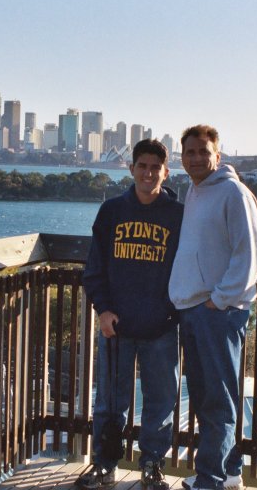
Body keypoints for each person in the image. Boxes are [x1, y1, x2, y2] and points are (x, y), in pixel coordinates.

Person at [79, 139, 184, 490]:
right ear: (131, 169)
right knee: (109, 401)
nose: (148, 173)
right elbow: (95, 268)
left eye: (156, 167)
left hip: (161, 327)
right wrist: (103, 309)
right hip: (117, 326)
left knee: (161, 401)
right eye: (142, 166)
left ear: (166, 172)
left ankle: (152, 465)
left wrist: (174, 312)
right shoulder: (111, 211)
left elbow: (191, 267)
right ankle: (104, 464)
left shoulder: (178, 215)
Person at [169, 125, 257, 490]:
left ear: (217, 156)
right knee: (207, 395)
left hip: (217, 312)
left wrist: (219, 300)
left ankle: (209, 479)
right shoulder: (194, 191)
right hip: (194, 308)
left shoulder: (234, 193)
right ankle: (230, 471)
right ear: (182, 157)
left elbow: (250, 254)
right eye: (190, 152)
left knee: (217, 399)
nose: (196, 158)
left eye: (203, 152)